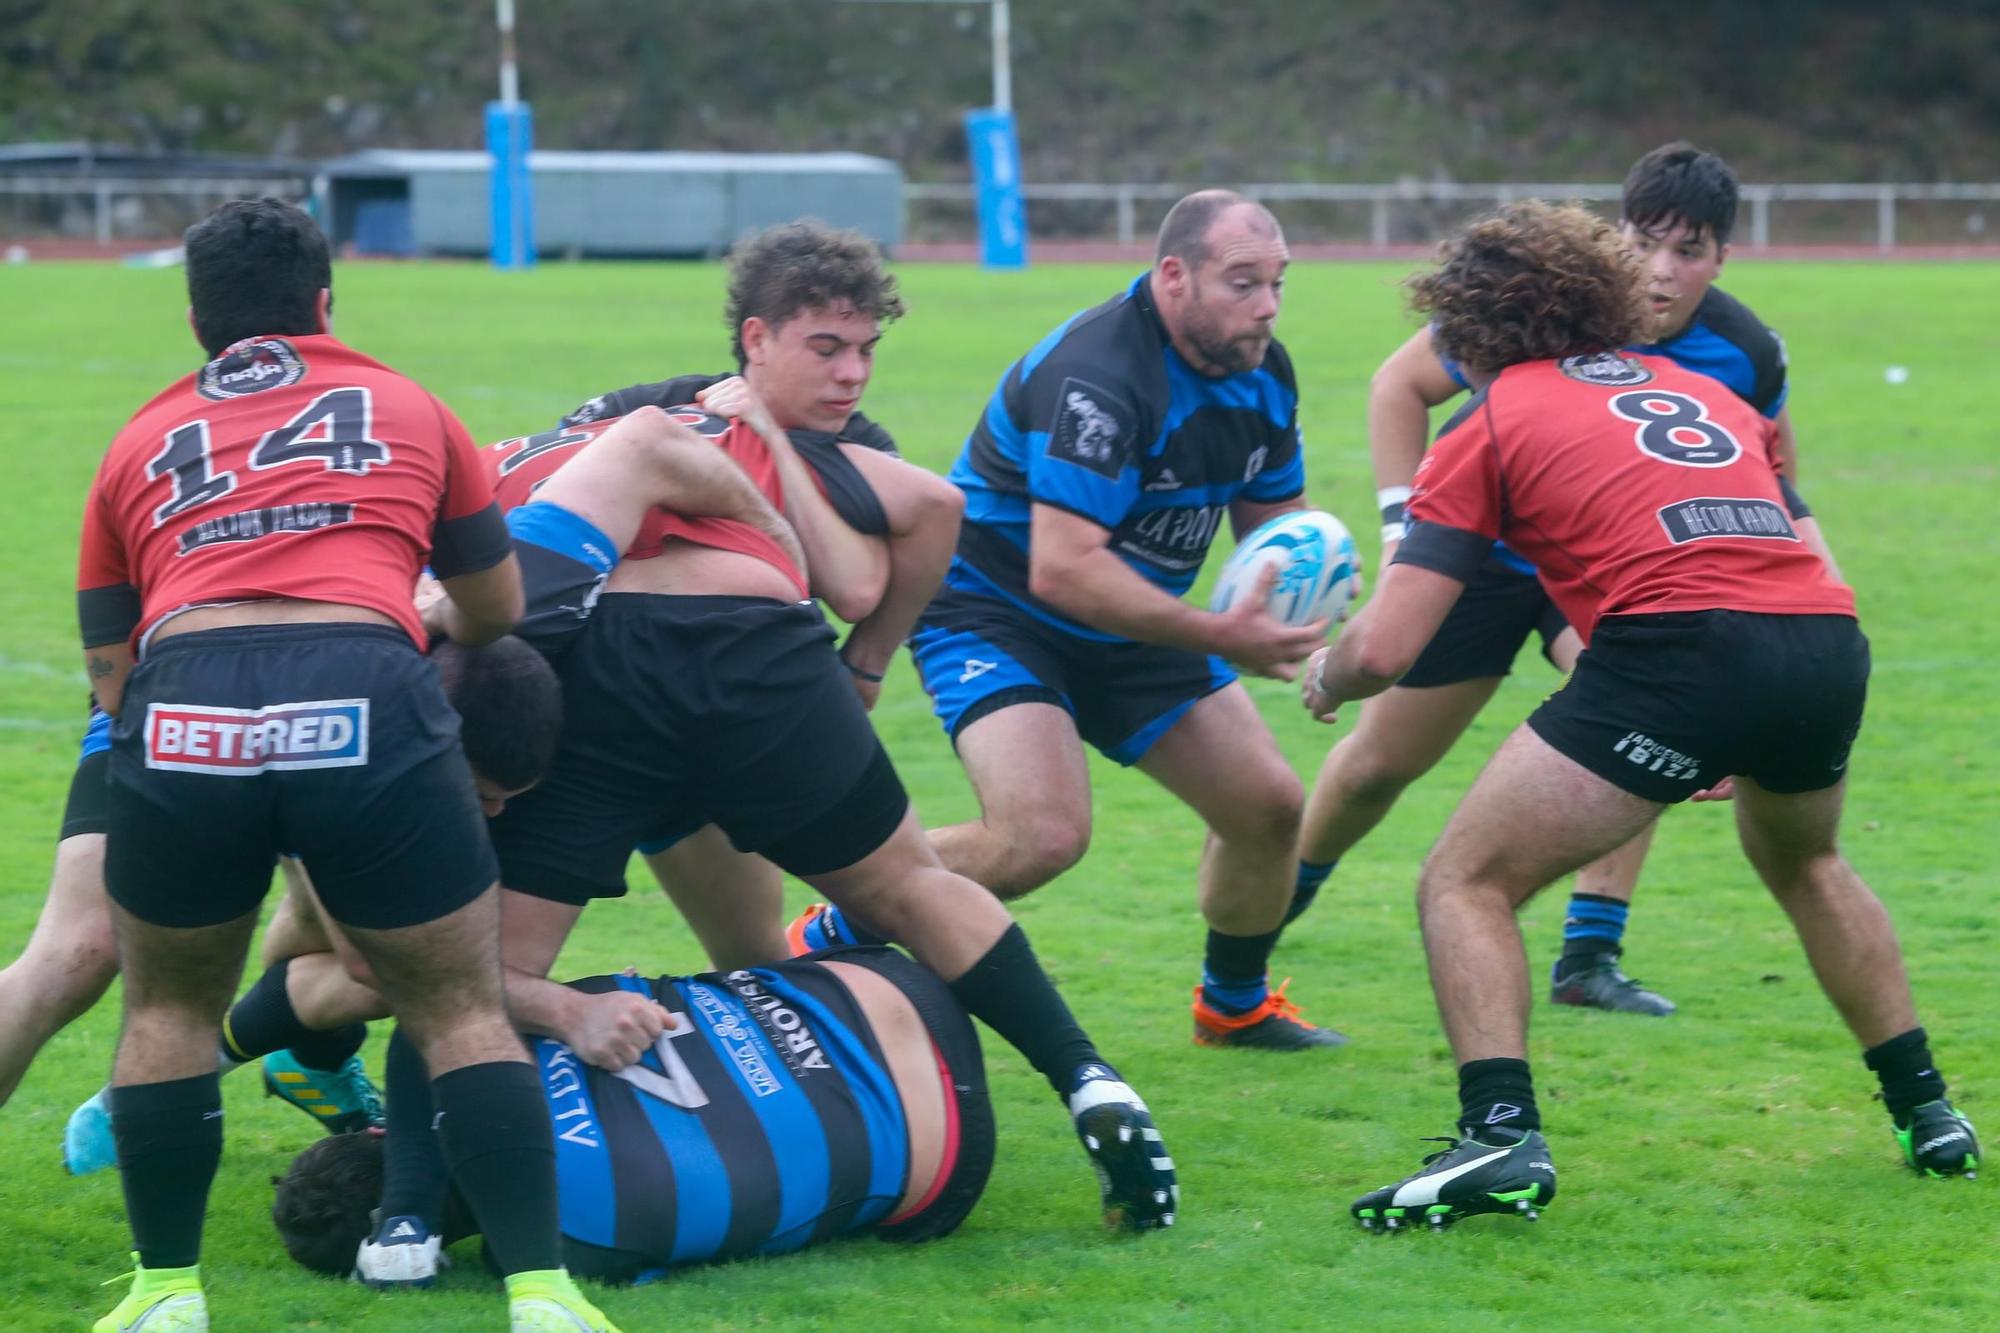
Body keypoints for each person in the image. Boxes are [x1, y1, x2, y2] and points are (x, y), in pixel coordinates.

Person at [270, 389, 1177, 1246]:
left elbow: (374, 948)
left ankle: (409, 1218)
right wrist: (815, 594)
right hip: (754, 641)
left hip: (595, 683)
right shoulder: (722, 447)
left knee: (463, 975)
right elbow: (932, 504)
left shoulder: (458, 530)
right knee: (905, 889)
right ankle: (1085, 1075)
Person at [1299, 200, 1978, 1229]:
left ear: (1469, 329)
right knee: (1807, 863)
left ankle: (1498, 1139)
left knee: (1464, 879)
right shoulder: (1700, 388)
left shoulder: (1484, 421)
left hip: (1685, 652)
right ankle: (1926, 1111)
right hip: (1821, 638)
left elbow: (1389, 646)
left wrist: (1325, 676)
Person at [73, 198, 615, 1332]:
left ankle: (168, 1292)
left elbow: (111, 667)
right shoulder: (411, 404)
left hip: (185, 702)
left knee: (169, 1007)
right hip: (367, 683)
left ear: (194, 318)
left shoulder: (135, 439)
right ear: (326, 301)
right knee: (458, 1003)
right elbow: (495, 607)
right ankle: (542, 1294)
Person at [791, 191, 1338, 1050]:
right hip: (999, 610)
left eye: (1277, 283)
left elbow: (1279, 526)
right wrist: (1222, 633)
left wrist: (1312, 618)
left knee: (1269, 806)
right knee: (1039, 837)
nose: (1266, 306)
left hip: (1136, 618)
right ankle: (838, 922)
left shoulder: (1262, 368)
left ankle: (1233, 1004)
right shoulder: (1099, 373)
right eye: (1243, 283)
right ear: (1174, 275)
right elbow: (1064, 569)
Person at [1294, 143, 1793, 1016]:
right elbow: (1396, 385)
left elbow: (1777, 481)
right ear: (1616, 234)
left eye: (1690, 251)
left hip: (1604, 576)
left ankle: (1590, 953)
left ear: (1724, 256)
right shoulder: (1555, 305)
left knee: (1645, 722)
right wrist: (1402, 529)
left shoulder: (1747, 352)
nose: (1662, 272)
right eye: (1645, 242)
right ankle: (1281, 891)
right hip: (1479, 560)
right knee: (1380, 764)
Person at [561, 219, 965, 968]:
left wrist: (769, 440)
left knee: (754, 959)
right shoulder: (647, 413)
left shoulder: (861, 450)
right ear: (756, 337)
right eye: (827, 349)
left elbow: (855, 586)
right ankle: (318, 1048)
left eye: (866, 350)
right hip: (598, 719)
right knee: (433, 942)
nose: (854, 373)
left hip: (732, 722)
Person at [272, 946, 993, 1285]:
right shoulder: (483, 1040)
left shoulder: (570, 1252)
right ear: (379, 1132)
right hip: (886, 985)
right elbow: (423, 1001)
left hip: (944, 1162)